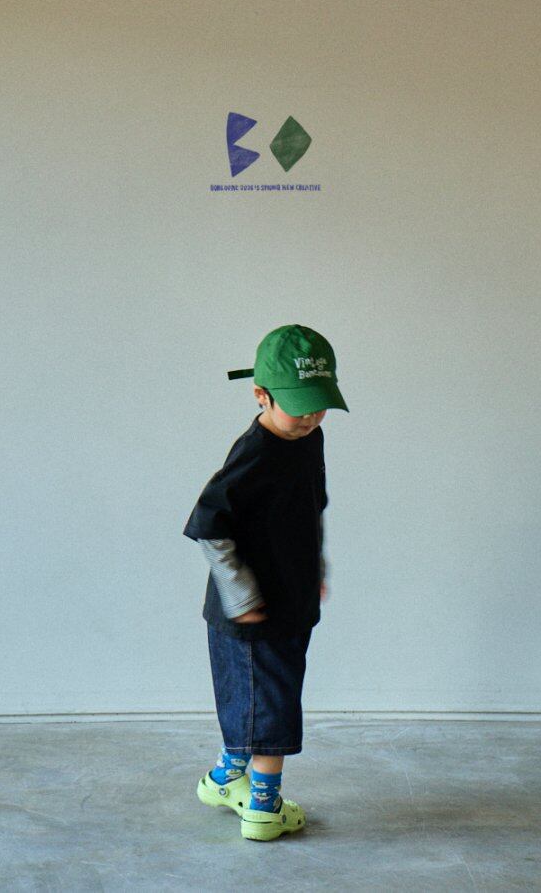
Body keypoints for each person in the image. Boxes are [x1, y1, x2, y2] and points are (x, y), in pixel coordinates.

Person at [183, 324, 349, 841]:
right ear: (261, 394)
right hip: (252, 612)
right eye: (299, 407)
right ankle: (262, 808)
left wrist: (315, 568)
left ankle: (222, 779)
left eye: (319, 405)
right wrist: (241, 596)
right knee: (270, 708)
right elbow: (209, 526)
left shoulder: (309, 439)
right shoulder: (254, 453)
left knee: (254, 701)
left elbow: (310, 508)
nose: (311, 418)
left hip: (290, 600)